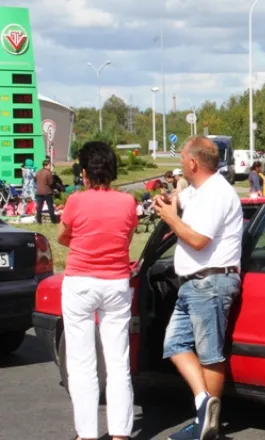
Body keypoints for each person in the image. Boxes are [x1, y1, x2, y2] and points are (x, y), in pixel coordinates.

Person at [153, 136, 243, 440]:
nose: (179, 164)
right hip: (194, 283)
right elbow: (182, 198)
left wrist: (170, 218)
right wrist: (170, 203)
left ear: (193, 162)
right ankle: (205, 406)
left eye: (181, 159)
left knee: (210, 356)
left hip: (211, 282)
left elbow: (198, 239)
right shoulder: (200, 192)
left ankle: (208, 426)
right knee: (174, 344)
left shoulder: (217, 192)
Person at [57, 141, 138, 440]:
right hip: (116, 282)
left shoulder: (76, 201)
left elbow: (63, 235)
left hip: (80, 281)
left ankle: (87, 433)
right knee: (118, 362)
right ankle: (120, 433)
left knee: (81, 362)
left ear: (84, 172)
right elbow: (126, 238)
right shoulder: (127, 202)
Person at [35, 159, 59, 224]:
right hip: (47, 191)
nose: (50, 166)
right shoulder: (48, 172)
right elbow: (51, 183)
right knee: (50, 206)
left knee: (39, 207)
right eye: (49, 165)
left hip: (39, 191)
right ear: (46, 165)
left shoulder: (38, 172)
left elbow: (35, 180)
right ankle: (53, 220)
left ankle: (38, 220)